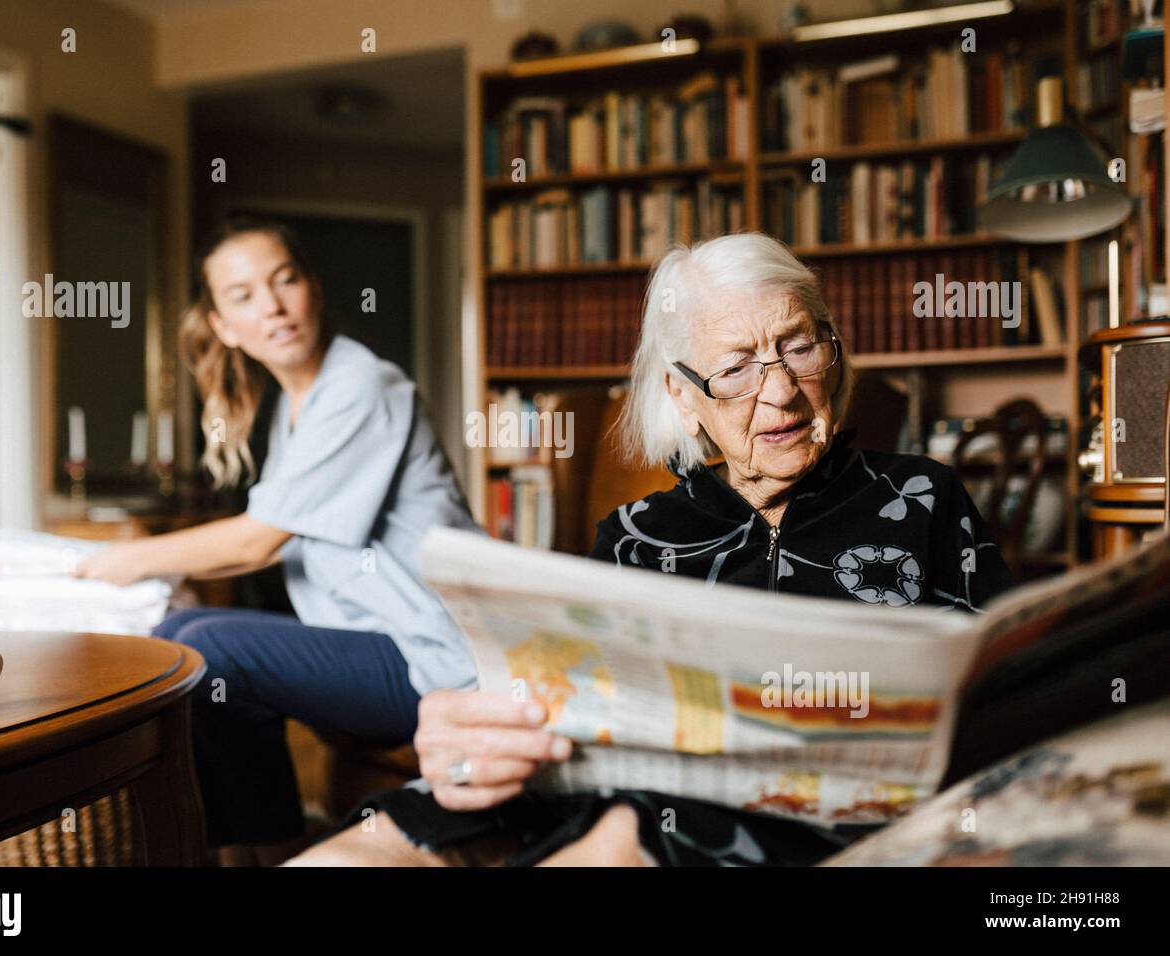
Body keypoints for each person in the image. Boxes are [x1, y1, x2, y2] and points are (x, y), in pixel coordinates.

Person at [292, 232, 1016, 867]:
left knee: (620, 841)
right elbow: (570, 701)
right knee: (378, 841)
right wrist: (477, 725)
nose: (783, 392)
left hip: (793, 811)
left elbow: (1016, 688)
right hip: (613, 790)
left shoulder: (923, 496)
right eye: (735, 368)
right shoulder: (635, 532)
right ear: (682, 394)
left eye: (799, 345)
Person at [74, 217, 481, 864]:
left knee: (208, 648)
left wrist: (119, 562)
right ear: (224, 327)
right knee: (179, 630)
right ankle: (245, 849)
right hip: (378, 645)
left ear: (313, 290)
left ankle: (271, 847)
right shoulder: (298, 408)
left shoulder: (360, 385)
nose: (272, 305)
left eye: (284, 280)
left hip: (437, 659)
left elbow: (257, 542)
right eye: (243, 296)